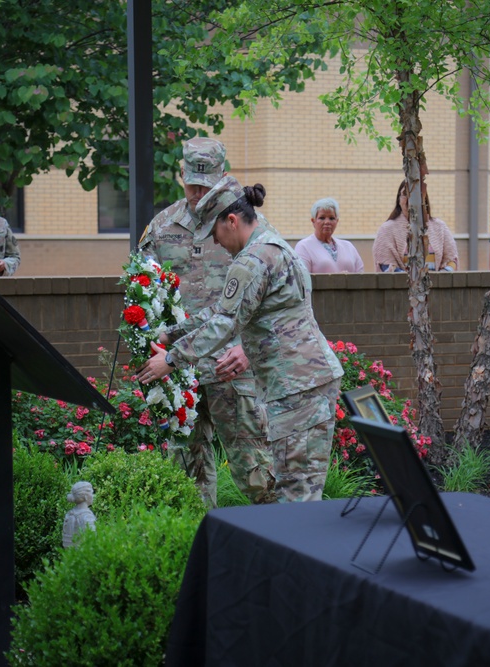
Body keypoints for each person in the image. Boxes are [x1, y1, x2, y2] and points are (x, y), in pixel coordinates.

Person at [138, 176, 344, 503]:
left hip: (295, 387)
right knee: (304, 492)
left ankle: (302, 553)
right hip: (307, 381)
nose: (216, 244)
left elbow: (225, 324)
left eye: (215, 234)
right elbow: (223, 310)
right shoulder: (272, 245)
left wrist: (171, 358)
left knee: (295, 496)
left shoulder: (251, 260)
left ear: (232, 221)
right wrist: (170, 332)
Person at [137, 137, 265, 508]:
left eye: (205, 185)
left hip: (231, 367)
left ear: (223, 177)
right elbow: (143, 290)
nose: (197, 193)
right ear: (181, 176)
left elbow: (268, 293)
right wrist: (149, 339)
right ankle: (197, 550)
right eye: (192, 183)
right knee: (186, 473)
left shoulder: (242, 223)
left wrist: (247, 349)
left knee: (255, 470)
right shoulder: (162, 227)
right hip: (179, 370)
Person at [373, 181, 459, 272]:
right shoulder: (387, 230)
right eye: (405, 194)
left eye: (416, 193)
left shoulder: (440, 227)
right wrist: (412, 282)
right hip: (402, 286)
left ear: (424, 199)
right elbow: (385, 264)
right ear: (399, 200)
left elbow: (452, 260)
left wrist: (438, 280)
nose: (410, 198)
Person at [294, 197, 364, 273]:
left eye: (331, 218)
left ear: (337, 221)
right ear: (313, 221)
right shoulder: (304, 247)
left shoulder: (348, 246)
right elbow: (303, 280)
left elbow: (361, 278)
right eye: (322, 218)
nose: (327, 222)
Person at [61, 481, 96, 548]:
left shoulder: (69, 514)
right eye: (91, 493)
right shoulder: (87, 516)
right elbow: (92, 539)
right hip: (82, 555)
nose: (93, 496)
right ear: (86, 496)